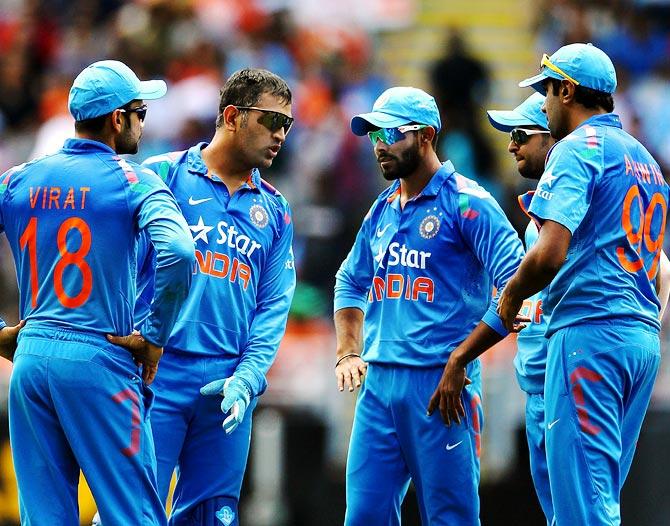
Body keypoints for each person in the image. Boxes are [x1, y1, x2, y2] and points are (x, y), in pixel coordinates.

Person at [0, 60, 195, 526]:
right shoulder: (134, 181)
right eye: (141, 111)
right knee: (135, 516)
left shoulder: (17, 180)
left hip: (29, 362)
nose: (144, 123)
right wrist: (153, 336)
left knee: (44, 518)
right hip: (99, 358)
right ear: (117, 119)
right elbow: (180, 252)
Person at [99, 68, 296, 526]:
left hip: (225, 387)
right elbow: (115, 269)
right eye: (271, 120)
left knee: (213, 518)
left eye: (288, 124)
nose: (281, 134)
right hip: (153, 374)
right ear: (232, 115)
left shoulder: (275, 210)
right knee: (129, 514)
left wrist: (247, 379)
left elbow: (272, 308)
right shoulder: (159, 176)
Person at [334, 86, 525, 525]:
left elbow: (516, 286)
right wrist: (348, 350)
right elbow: (349, 280)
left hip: (442, 387)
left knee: (449, 517)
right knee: (363, 516)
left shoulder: (468, 203)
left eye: (391, 134)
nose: (379, 145)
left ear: (425, 136)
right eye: (374, 135)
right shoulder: (381, 209)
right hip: (378, 385)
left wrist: (462, 358)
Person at [499, 43, 666, 525]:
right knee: (597, 497)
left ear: (566, 90)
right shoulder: (643, 157)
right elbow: (662, 266)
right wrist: (642, 318)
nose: (545, 105)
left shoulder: (576, 149)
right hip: (638, 339)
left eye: (545, 93)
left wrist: (512, 294)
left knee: (582, 510)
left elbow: (549, 252)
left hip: (590, 335)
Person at [487, 93, 555, 523]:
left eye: (520, 135)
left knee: (582, 509)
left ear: (552, 139)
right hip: (539, 386)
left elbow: (657, 266)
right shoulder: (543, 209)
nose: (511, 146)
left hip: (566, 383)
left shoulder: (577, 200)